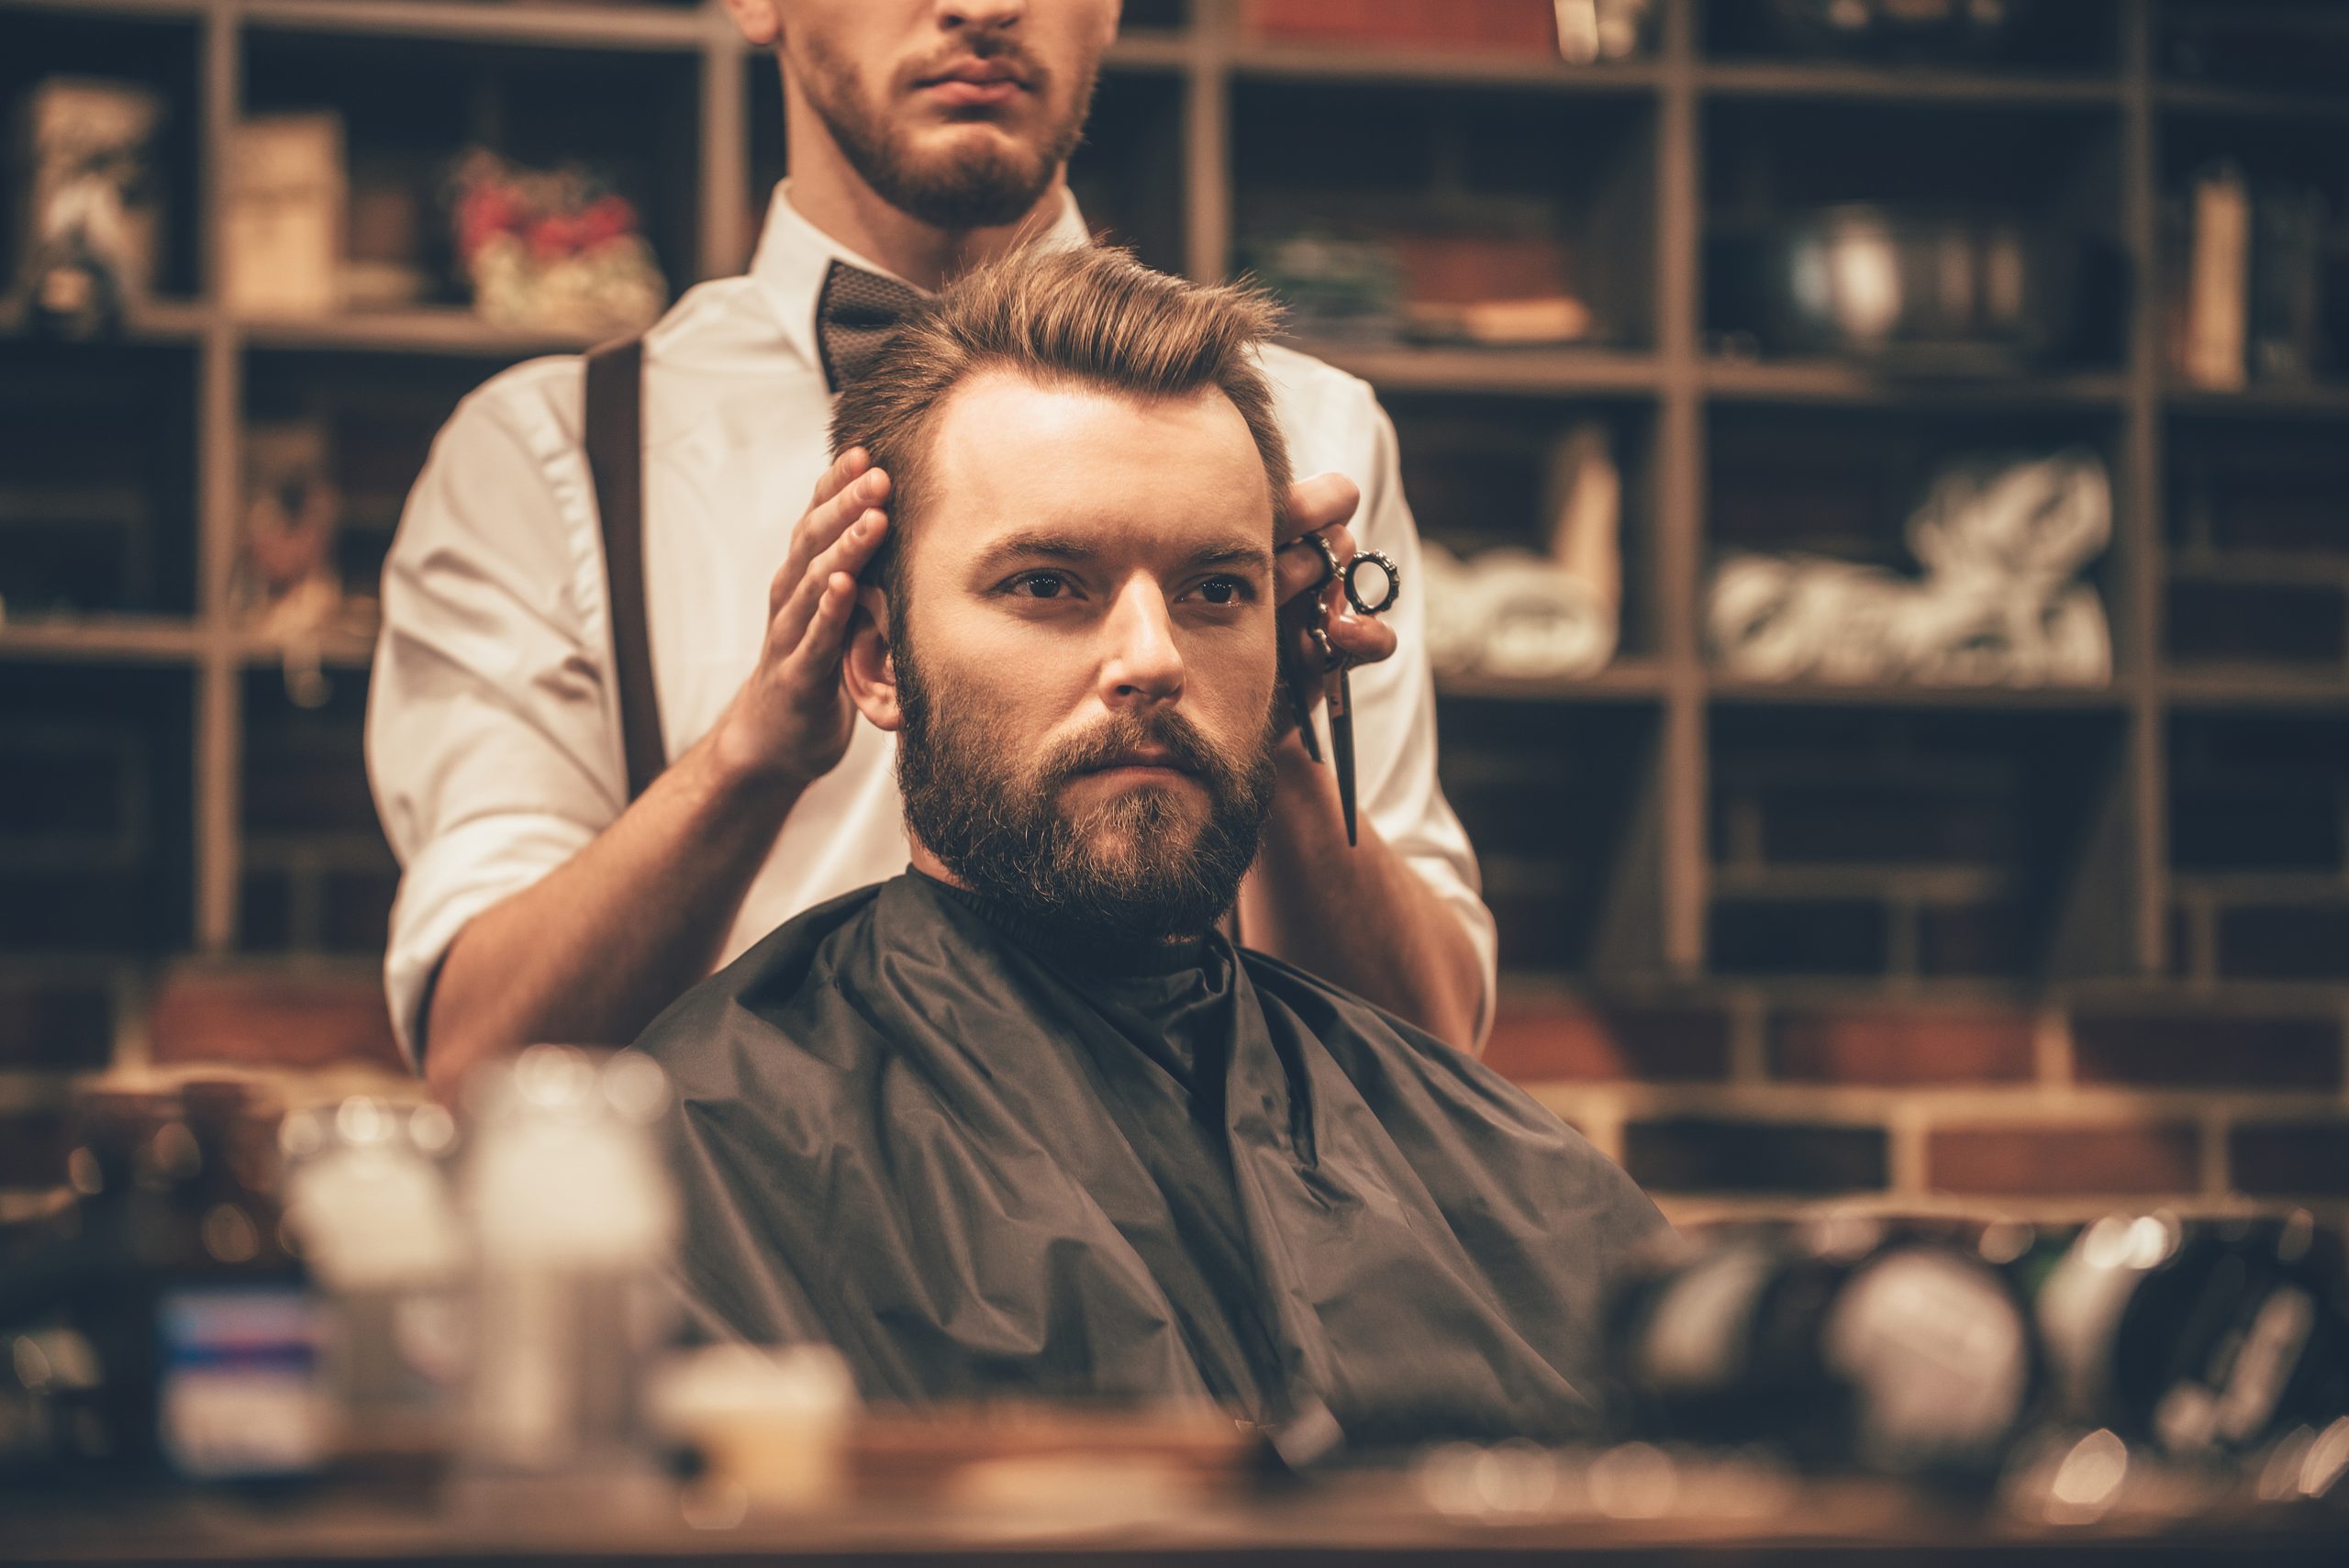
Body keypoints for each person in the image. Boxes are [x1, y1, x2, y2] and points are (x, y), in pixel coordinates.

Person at [633, 244, 1666, 1449]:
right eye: (1047, 583)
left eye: (1215, 592)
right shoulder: (713, 1151)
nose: (1151, 656)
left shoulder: (1514, 1182)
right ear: (875, 661)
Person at [368, 0, 1495, 1101]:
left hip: (1198, 1264)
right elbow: (483, 1063)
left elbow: (1434, 1071)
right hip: (731, 1265)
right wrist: (749, 757)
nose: (983, 7)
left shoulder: (1313, 434)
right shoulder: (551, 452)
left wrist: (1271, 738)